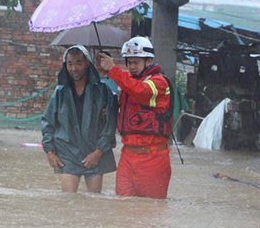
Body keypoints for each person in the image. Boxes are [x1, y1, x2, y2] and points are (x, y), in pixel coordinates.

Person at [98, 36, 173, 199]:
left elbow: (141, 91)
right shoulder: (128, 84)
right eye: (129, 62)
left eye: (136, 63)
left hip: (152, 158)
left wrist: (113, 70)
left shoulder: (159, 83)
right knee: (122, 206)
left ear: (148, 62)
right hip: (128, 155)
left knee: (148, 213)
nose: (132, 67)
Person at [41, 45, 118, 193]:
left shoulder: (102, 91)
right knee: (68, 201)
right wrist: (50, 152)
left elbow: (110, 126)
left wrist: (98, 153)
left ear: (87, 64)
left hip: (95, 151)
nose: (74, 68)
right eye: (70, 64)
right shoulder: (60, 93)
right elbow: (48, 122)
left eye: (78, 63)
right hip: (68, 153)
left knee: (94, 202)